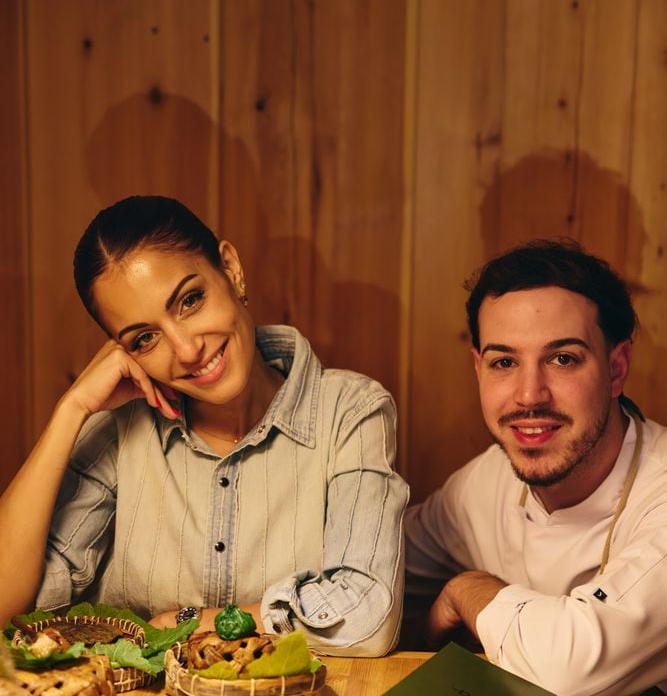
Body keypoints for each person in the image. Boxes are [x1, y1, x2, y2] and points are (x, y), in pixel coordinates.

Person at [404, 240, 667, 696]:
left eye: (562, 358)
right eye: (503, 362)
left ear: (615, 367)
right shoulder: (482, 484)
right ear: (477, 368)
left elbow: (571, 666)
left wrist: (466, 590)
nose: (528, 395)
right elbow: (376, 576)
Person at [0, 195, 408, 655]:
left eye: (190, 301)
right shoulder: (119, 432)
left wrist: (190, 622)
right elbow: (10, 607)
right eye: (145, 338)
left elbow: (367, 615)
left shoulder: (350, 412)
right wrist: (71, 410)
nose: (187, 349)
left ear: (230, 269)